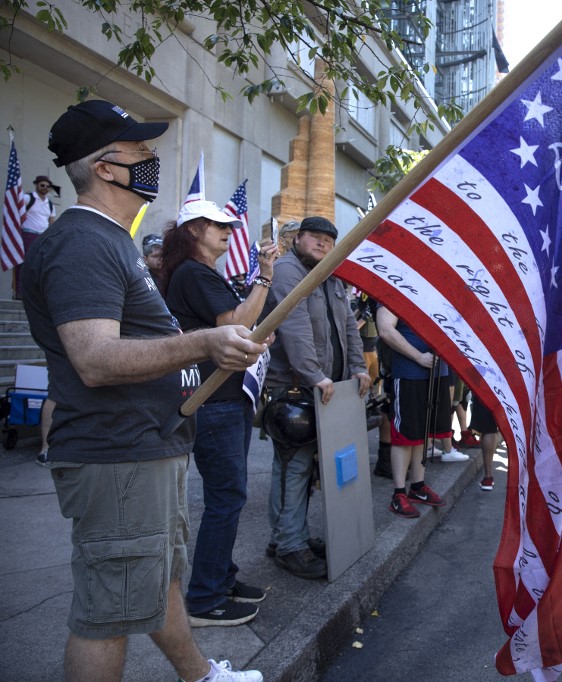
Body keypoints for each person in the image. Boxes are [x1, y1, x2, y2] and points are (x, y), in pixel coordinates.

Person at [22, 99, 264, 682]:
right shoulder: (84, 242)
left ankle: (202, 676)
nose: (153, 161)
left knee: (155, 584)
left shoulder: (109, 240)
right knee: (106, 615)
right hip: (118, 455)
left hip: (144, 448)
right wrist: (205, 343)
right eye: (142, 154)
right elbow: (96, 360)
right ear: (105, 167)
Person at [161, 200, 279, 626]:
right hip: (214, 400)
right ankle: (206, 597)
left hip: (226, 396)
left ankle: (221, 579)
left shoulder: (202, 273)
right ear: (195, 230)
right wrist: (265, 277)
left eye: (230, 224)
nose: (229, 231)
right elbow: (237, 324)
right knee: (226, 498)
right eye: (219, 225)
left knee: (229, 496)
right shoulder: (193, 272)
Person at [263, 216, 371, 579]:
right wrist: (316, 376)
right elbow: (294, 330)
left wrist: (358, 367)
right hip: (295, 387)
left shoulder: (331, 275)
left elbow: (348, 329)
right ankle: (288, 545)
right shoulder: (287, 272)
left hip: (329, 388)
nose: (323, 245)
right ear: (298, 239)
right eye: (315, 238)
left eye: (329, 240)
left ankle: (290, 536)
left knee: (304, 467)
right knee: (293, 465)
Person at [375, 306, 451, 518]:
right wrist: (418, 357)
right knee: (405, 434)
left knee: (422, 432)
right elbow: (385, 330)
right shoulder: (394, 286)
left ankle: (417, 486)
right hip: (408, 373)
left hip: (436, 371)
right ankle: (399, 494)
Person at [14, 175, 57, 298]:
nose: (45, 188)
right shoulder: (28, 198)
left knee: (41, 265)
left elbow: (51, 222)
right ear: (37, 185)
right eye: (42, 185)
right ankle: (19, 291)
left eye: (47, 186)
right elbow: (16, 213)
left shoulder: (49, 204)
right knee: (24, 263)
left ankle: (36, 294)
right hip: (28, 233)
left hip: (42, 237)